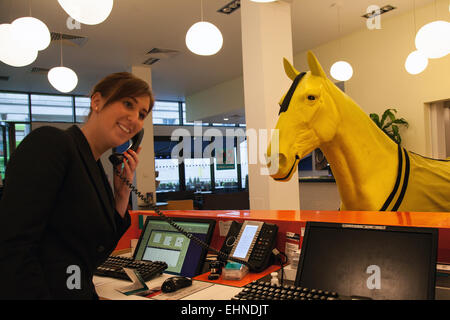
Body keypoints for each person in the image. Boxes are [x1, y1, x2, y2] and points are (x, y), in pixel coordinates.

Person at [0, 72, 154, 299]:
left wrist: (121, 195)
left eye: (142, 114)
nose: (134, 118)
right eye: (128, 103)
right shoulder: (52, 143)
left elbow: (93, 254)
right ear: (97, 101)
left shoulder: (96, 170)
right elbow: (13, 248)